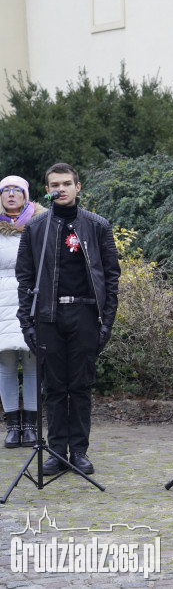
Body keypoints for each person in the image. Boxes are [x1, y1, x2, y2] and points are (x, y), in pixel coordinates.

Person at [16, 163, 121, 475]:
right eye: (53, 185)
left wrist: (107, 322)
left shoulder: (98, 225)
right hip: (48, 315)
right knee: (54, 387)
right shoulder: (36, 228)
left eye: (65, 183)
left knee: (81, 386)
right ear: (46, 190)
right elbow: (24, 278)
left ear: (78, 187)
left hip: (86, 313)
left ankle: (79, 452)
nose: (59, 189)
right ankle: (55, 451)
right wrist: (27, 323)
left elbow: (111, 277)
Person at [1, 176, 43, 448]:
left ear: (26, 195)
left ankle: (30, 426)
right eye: (6, 191)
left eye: (18, 190)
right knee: (5, 366)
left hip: (29, 302)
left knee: (31, 365)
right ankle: (11, 426)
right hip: (1, 307)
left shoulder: (40, 225)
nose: (12, 195)